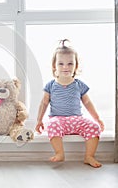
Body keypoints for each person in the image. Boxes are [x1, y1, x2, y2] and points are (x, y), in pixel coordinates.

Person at [35, 39, 105, 168]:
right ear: (54, 66)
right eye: (61, 63)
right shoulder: (50, 85)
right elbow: (44, 103)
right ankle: (59, 153)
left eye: (70, 63)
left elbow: (88, 103)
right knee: (52, 125)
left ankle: (89, 156)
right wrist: (39, 120)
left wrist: (97, 118)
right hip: (58, 119)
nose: (65, 67)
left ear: (75, 66)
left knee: (94, 127)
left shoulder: (79, 85)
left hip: (76, 119)